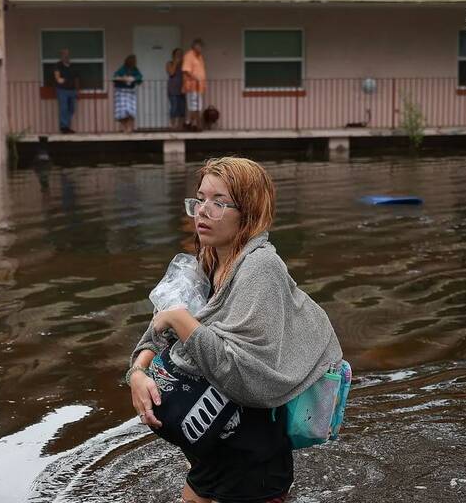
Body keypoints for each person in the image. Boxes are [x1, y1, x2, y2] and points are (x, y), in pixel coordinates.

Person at [126, 157, 344, 503]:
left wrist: (182, 321)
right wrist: (137, 372)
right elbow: (157, 328)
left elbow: (247, 376)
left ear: (249, 212)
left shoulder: (262, 269)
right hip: (214, 445)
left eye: (219, 203)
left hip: (253, 457)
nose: (202, 211)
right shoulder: (207, 259)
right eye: (199, 199)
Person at [112, 54, 143, 133]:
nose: (134, 63)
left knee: (130, 111)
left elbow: (139, 77)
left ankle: (129, 128)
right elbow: (115, 77)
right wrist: (123, 78)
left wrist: (133, 78)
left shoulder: (135, 69)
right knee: (122, 112)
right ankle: (125, 128)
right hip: (121, 91)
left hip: (130, 92)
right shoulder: (122, 69)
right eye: (133, 61)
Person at [182, 38, 207, 132]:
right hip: (192, 85)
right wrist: (195, 77)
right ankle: (196, 125)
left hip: (199, 86)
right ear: (194, 46)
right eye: (199, 46)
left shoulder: (200, 56)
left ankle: (189, 123)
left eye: (202, 46)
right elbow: (186, 70)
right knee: (193, 106)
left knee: (198, 106)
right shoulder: (189, 56)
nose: (201, 48)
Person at [53, 48, 80, 134]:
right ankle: (64, 127)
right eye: (64, 54)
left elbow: (76, 78)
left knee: (71, 109)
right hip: (62, 90)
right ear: (61, 56)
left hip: (72, 90)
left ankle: (66, 126)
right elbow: (57, 75)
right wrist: (58, 79)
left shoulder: (73, 66)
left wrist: (77, 91)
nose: (66, 56)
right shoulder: (58, 65)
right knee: (64, 108)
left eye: (67, 54)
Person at [166, 48, 186, 131]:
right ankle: (172, 125)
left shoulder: (184, 64)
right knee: (174, 107)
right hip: (172, 89)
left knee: (182, 108)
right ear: (173, 55)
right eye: (178, 54)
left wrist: (185, 87)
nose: (180, 55)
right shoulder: (169, 63)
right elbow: (171, 73)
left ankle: (180, 126)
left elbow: (186, 76)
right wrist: (175, 63)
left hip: (182, 89)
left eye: (181, 54)